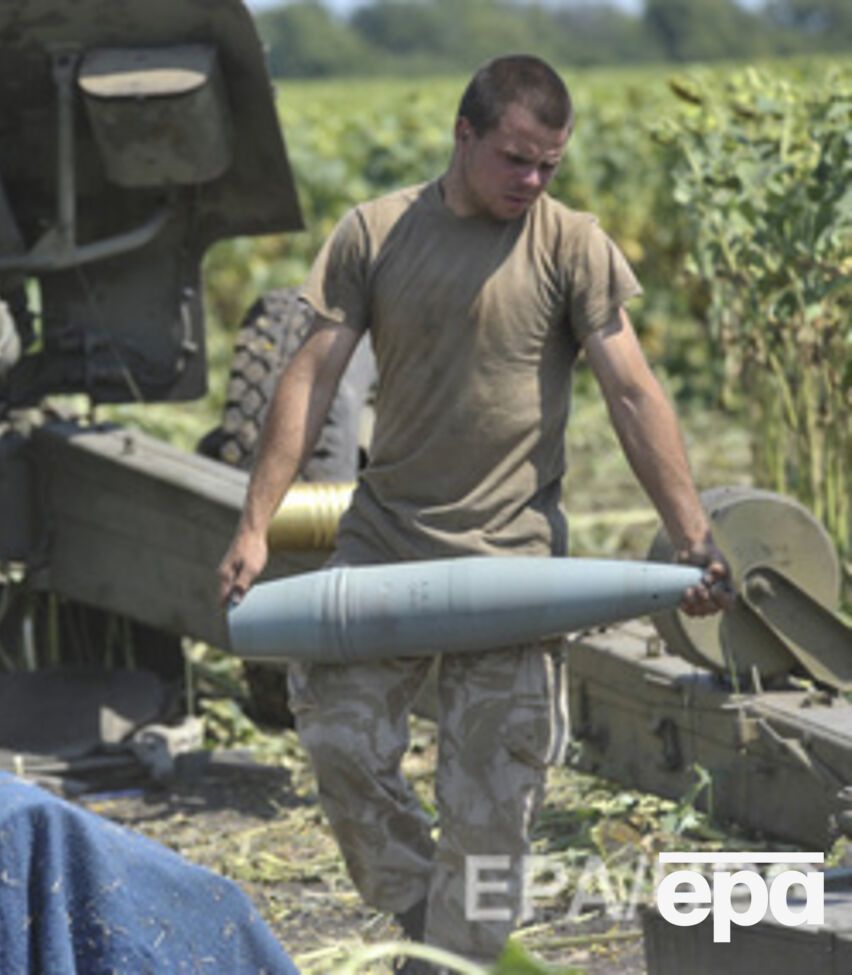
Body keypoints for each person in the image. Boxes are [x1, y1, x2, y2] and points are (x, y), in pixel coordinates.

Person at [216, 54, 732, 970]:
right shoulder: (374, 235)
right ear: (464, 135)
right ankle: (437, 925)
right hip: (385, 554)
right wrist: (257, 523)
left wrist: (694, 537)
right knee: (338, 743)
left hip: (517, 572)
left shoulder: (572, 245)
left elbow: (634, 394)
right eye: (515, 159)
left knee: (492, 817)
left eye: (549, 167)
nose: (532, 182)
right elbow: (309, 378)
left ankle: (453, 953)